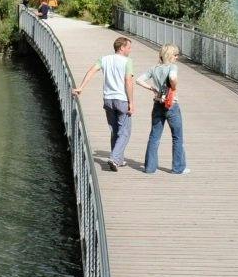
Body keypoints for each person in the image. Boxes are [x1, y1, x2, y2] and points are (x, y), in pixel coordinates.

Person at [72, 35, 137, 171]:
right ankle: (114, 158)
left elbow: (91, 71)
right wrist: (131, 102)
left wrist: (81, 87)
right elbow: (128, 81)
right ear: (122, 48)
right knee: (124, 132)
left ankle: (118, 160)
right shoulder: (127, 61)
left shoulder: (104, 59)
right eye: (129, 47)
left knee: (115, 130)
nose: (130, 50)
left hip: (108, 100)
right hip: (121, 99)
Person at [137, 43, 187, 175]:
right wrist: (174, 86)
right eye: (176, 55)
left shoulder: (154, 68)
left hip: (158, 104)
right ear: (170, 55)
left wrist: (152, 88)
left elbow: (139, 80)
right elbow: (172, 78)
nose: (177, 57)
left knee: (154, 136)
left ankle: (150, 168)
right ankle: (178, 168)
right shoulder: (172, 67)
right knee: (177, 137)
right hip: (171, 105)